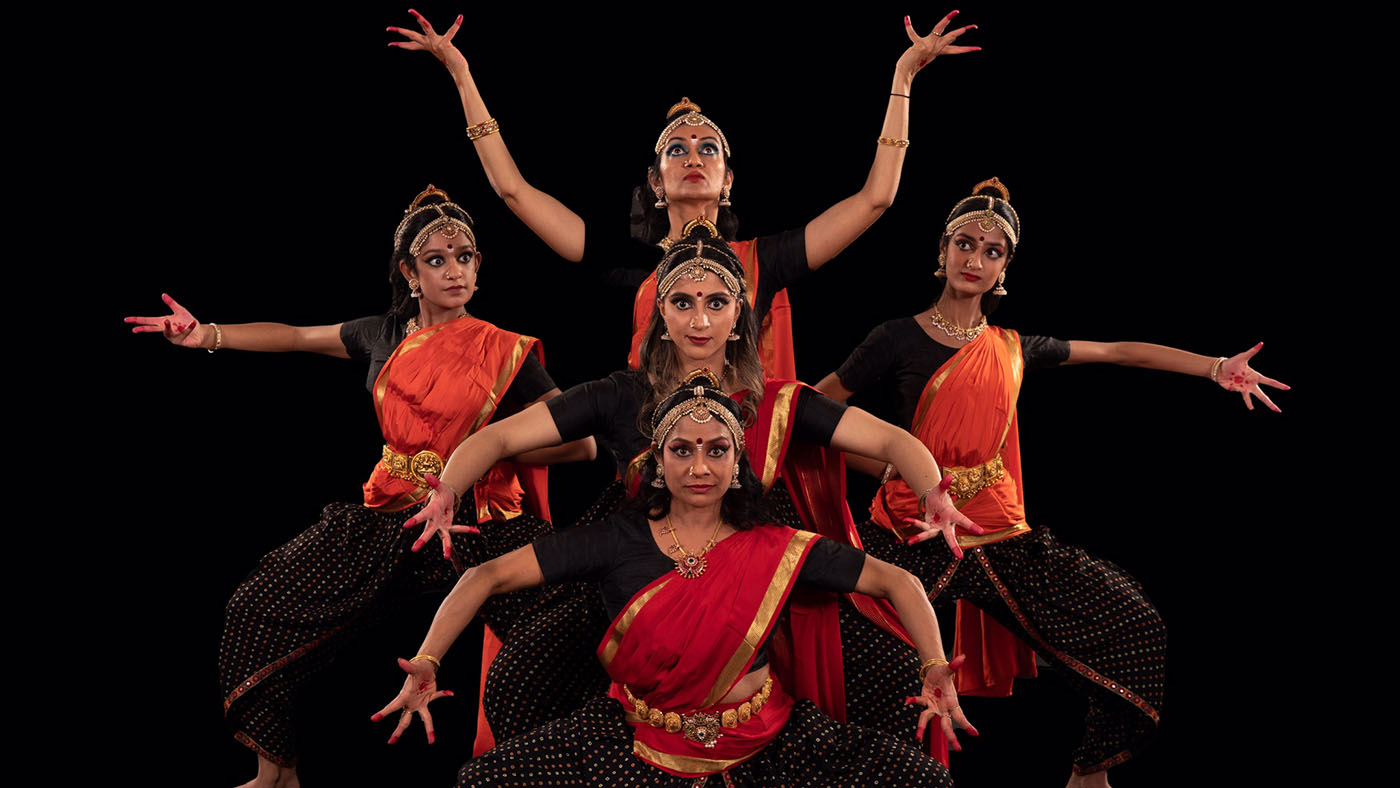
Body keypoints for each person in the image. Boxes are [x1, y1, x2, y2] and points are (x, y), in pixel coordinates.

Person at [398, 220, 981, 750]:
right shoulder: (620, 395)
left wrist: (933, 490)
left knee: (889, 675)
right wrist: (448, 487)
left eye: (716, 303)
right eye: (683, 302)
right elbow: (498, 439)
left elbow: (893, 443)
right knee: (523, 675)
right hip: (643, 555)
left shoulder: (778, 402)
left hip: (757, 562)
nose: (700, 320)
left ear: (738, 318)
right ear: (662, 315)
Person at [814, 178, 1289, 787]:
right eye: (965, 243)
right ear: (941, 251)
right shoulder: (895, 338)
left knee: (1132, 625)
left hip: (996, 530)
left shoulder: (1012, 348)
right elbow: (815, 414)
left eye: (992, 251)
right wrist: (889, 466)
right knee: (872, 675)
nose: (975, 259)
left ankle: (1088, 775)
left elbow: (1119, 352)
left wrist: (1214, 367)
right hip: (910, 532)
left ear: (1005, 268)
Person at [126, 185, 594, 788]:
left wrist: (484, 448)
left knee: (566, 628)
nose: (455, 270)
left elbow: (579, 444)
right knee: (255, 606)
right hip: (391, 517)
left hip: (477, 520)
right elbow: (296, 336)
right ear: (410, 272)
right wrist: (205, 334)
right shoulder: (383, 334)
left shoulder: (504, 350)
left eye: (465, 257)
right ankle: (277, 775)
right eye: (437, 259)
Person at [373, 373, 978, 786]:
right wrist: (427, 660)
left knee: (919, 778)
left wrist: (932, 666)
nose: (699, 466)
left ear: (737, 465)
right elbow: (483, 575)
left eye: (717, 451)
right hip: (637, 748)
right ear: (656, 464)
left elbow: (899, 582)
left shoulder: (778, 547)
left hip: (765, 745)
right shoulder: (616, 540)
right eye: (682, 450)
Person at [387, 9, 980, 377]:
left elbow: (875, 198)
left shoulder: (761, 261)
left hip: (742, 461)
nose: (693, 156)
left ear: (727, 182)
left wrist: (902, 79)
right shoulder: (628, 262)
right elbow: (514, 191)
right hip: (655, 455)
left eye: (708, 149)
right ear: (655, 182)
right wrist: (462, 76)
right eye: (677, 149)